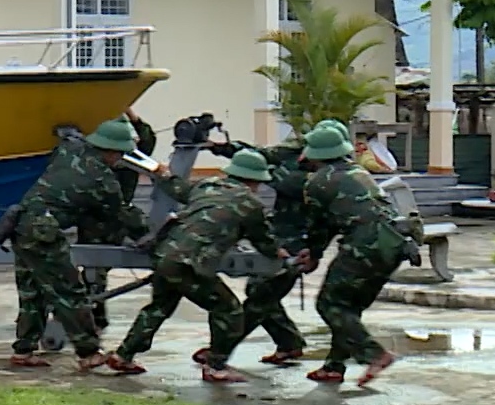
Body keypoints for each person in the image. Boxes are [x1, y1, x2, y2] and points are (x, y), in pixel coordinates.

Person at [106, 149, 287, 383]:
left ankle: (123, 355)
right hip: (190, 263)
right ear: (254, 180)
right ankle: (216, 366)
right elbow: (263, 240)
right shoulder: (250, 204)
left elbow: (179, 189)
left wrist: (165, 174)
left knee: (159, 307)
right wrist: (279, 254)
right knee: (228, 310)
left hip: (166, 254)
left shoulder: (207, 186)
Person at [0, 118, 149, 371]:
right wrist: (145, 236)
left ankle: (23, 350)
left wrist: (68, 133)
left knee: (32, 292)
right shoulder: (103, 179)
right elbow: (121, 213)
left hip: (19, 224)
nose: (119, 159)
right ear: (110, 151)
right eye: (119, 153)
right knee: (69, 292)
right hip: (44, 232)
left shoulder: (70, 149)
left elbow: (67, 140)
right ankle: (88, 352)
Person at [196, 118, 350, 367]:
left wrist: (255, 168)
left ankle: (221, 350)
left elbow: (280, 179)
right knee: (263, 293)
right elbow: (261, 154)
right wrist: (222, 148)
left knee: (260, 295)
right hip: (278, 233)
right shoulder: (296, 154)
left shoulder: (321, 177)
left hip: (298, 240)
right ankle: (288, 342)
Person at [300, 124, 419, 386]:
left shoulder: (318, 182)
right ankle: (334, 366)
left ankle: (375, 354)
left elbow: (319, 227)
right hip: (396, 243)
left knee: (329, 304)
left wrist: (313, 256)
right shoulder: (357, 171)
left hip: (364, 246)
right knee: (348, 307)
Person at [75, 108, 157, 331]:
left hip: (110, 219)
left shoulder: (123, 156)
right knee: (95, 269)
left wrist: (126, 109)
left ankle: (95, 314)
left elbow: (147, 137)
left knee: (97, 268)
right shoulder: (106, 159)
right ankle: (95, 315)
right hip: (99, 219)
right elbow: (147, 137)